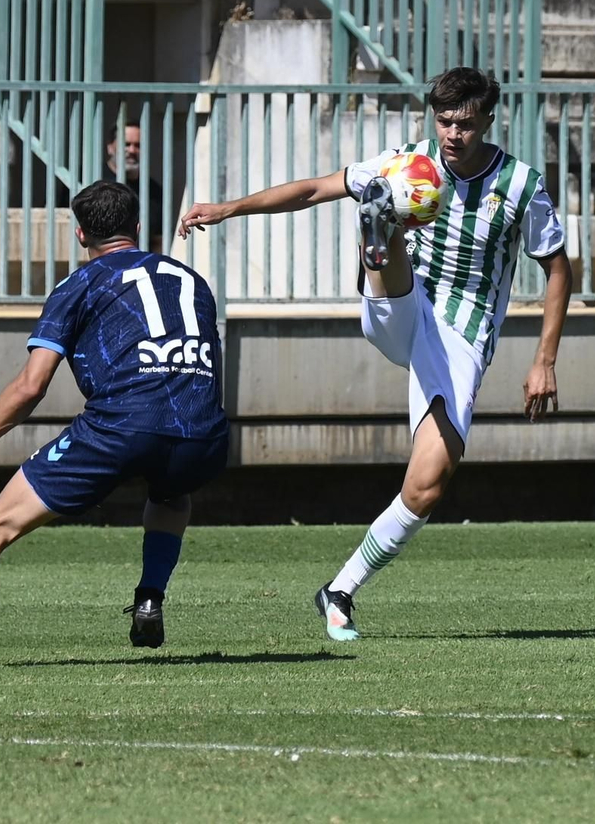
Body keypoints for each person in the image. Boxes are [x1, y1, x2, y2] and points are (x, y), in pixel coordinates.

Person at [178, 67, 571, 642]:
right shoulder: (406, 162)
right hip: (398, 308)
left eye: (464, 123)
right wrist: (230, 208)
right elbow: (313, 189)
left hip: (460, 337)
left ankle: (339, 590)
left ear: (488, 119)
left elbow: (556, 267)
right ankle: (381, 235)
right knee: (391, 209)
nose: (453, 134)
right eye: (443, 121)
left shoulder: (520, 184)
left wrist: (545, 360)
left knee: (428, 486)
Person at [0, 181, 228, 666]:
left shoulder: (78, 284)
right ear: (137, 229)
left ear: (80, 235)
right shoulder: (191, 280)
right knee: (171, 491)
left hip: (120, 427)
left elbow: (30, 387)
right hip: (204, 435)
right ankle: (149, 596)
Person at [57, 122, 165, 251]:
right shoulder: (84, 179)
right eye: (126, 144)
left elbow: (158, 240)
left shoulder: (153, 192)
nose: (132, 150)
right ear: (110, 147)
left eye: (138, 145)